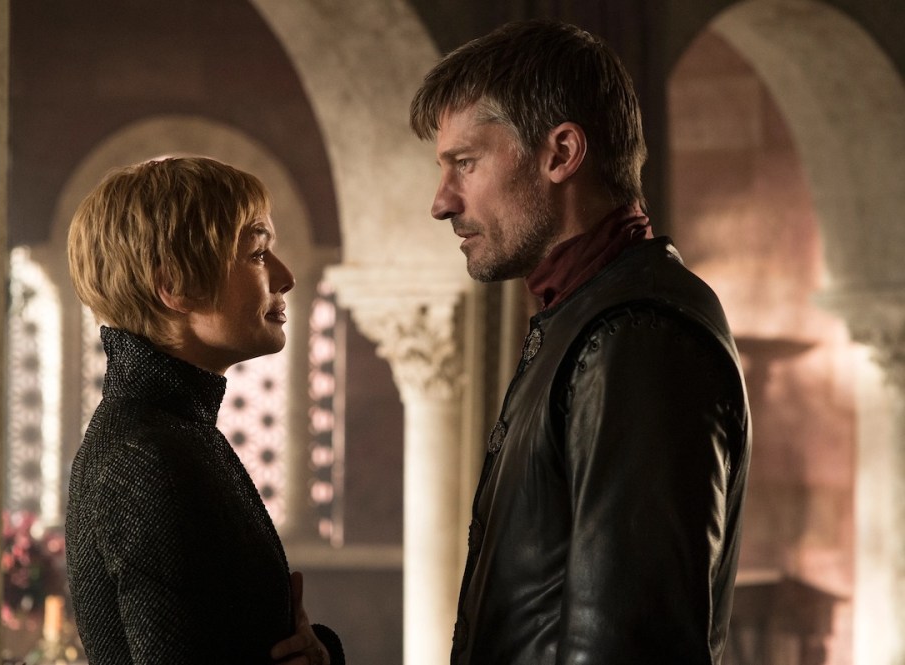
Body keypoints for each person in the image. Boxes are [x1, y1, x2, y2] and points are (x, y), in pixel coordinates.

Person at [410, 19, 751, 665]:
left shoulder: (635, 335)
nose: (442, 202)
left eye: (465, 163)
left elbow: (628, 646)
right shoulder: (586, 316)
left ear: (562, 153)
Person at [65, 156, 343, 665]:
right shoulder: (149, 456)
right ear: (175, 286)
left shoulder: (168, 433)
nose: (285, 277)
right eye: (257, 254)